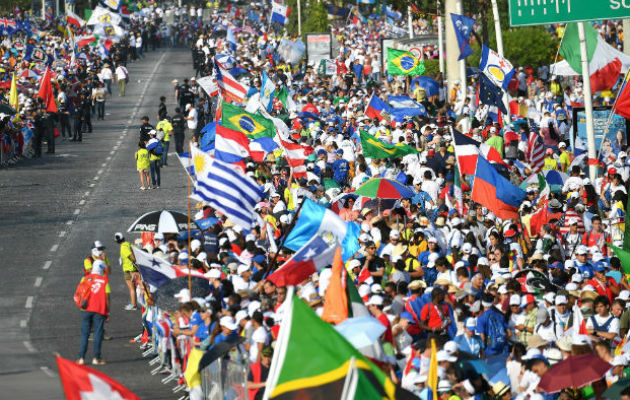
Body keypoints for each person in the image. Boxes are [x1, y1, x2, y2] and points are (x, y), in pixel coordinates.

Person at [77, 260, 110, 365]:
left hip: (86, 310)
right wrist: (107, 312)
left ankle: (81, 358)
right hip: (99, 310)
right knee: (98, 334)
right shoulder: (104, 280)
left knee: (84, 334)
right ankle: (96, 358)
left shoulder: (86, 278)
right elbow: (107, 298)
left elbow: (79, 293)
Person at [114, 232, 139, 310]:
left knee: (132, 288)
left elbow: (131, 256)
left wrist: (135, 261)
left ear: (116, 241)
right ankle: (134, 304)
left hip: (129, 269)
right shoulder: (129, 244)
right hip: (134, 268)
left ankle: (134, 305)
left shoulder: (123, 247)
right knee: (136, 287)